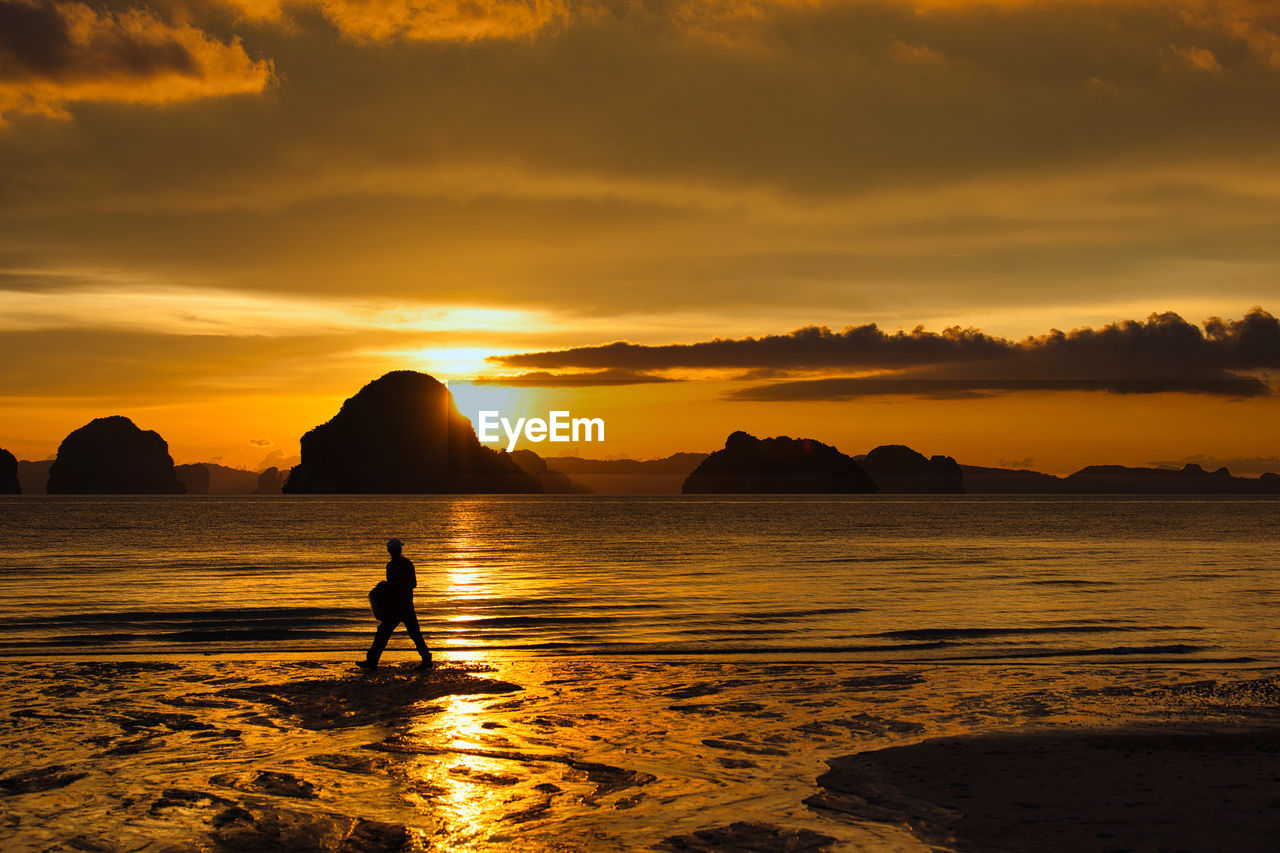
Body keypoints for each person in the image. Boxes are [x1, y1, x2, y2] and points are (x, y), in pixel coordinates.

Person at [359, 538, 433, 671]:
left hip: (395, 607)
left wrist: (386, 588)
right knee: (414, 633)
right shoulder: (408, 564)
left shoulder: (391, 566)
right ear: (400, 550)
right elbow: (413, 584)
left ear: (389, 551)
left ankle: (372, 661)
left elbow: (393, 587)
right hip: (406, 605)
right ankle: (426, 658)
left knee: (383, 633)